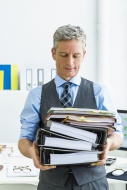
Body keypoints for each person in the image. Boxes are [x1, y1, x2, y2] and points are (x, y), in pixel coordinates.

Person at [18, 24, 123, 190]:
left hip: (93, 183)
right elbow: (24, 139)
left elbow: (118, 133)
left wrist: (109, 144)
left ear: (84, 55)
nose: (70, 62)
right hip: (51, 183)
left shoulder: (99, 92)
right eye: (63, 55)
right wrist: (31, 151)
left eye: (76, 55)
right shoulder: (36, 95)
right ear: (53, 53)